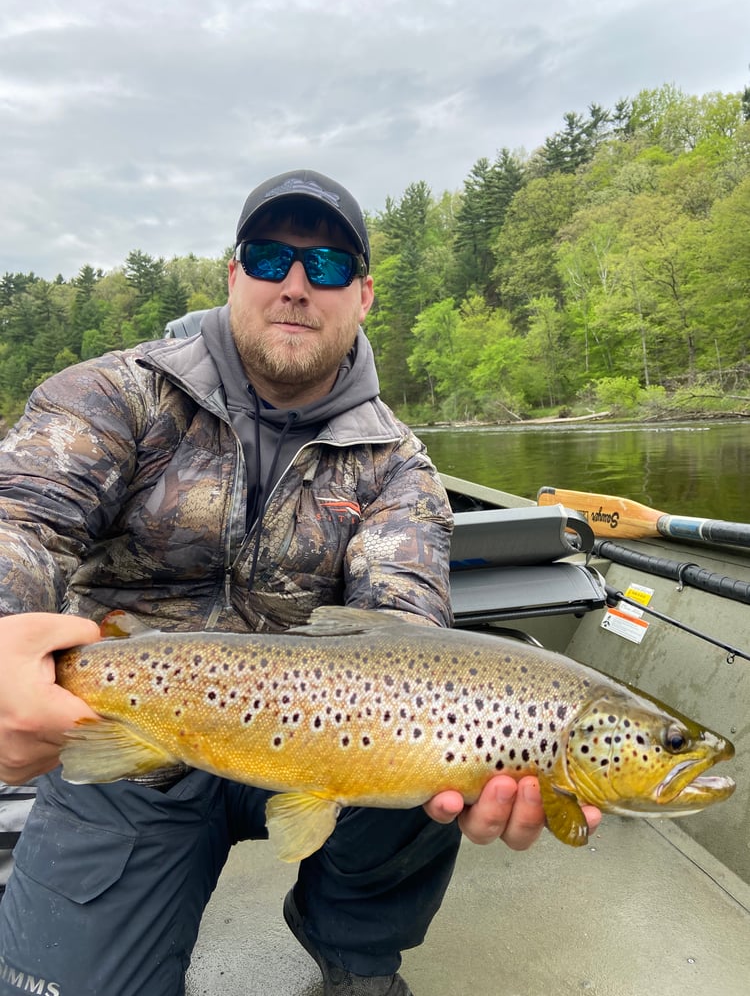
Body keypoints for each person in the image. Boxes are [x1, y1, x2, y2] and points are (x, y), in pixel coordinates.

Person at [0, 168, 599, 996]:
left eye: (325, 267)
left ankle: (355, 954)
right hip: (135, 728)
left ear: (363, 296)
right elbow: (22, 522)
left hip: (333, 747)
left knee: (436, 767)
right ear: (234, 273)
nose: (294, 284)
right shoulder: (113, 396)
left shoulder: (401, 467)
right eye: (270, 256)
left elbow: (403, 626)